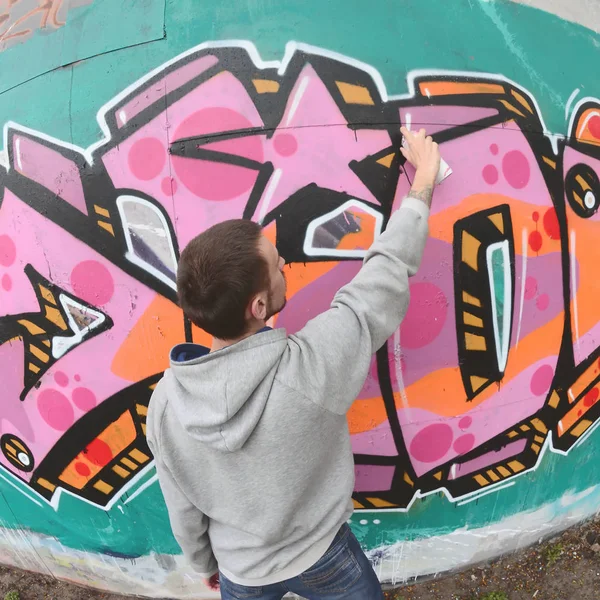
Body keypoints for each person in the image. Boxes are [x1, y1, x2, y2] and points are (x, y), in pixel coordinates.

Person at [146, 127, 440, 600]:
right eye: (278, 265)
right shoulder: (311, 365)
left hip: (242, 571)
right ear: (259, 307)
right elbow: (382, 277)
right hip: (325, 557)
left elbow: (181, 506)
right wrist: (423, 183)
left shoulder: (164, 406)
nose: (285, 262)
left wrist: (203, 564)